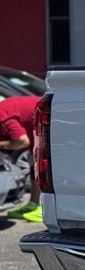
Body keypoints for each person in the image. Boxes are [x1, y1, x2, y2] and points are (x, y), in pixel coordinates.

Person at [0, 94, 42, 222]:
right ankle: (33, 204)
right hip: (36, 130)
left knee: (46, 168)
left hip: (48, 122)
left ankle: (42, 209)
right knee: (35, 167)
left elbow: (22, 141)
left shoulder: (2, 118)